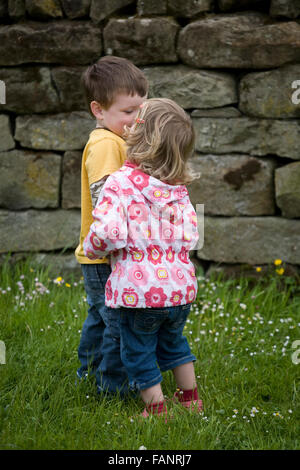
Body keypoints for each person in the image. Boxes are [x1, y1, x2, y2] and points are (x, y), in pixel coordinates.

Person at [83, 98, 203, 418]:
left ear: (138, 136)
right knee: (174, 343)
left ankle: (156, 408)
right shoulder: (177, 188)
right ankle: (190, 399)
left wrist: (92, 249)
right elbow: (192, 234)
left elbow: (108, 232)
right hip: (179, 290)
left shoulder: (121, 182)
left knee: (137, 351)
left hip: (140, 294)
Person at [75, 56, 148, 396]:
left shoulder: (118, 140)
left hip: (98, 254)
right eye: (128, 112)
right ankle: (113, 386)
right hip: (106, 253)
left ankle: (87, 372)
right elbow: (107, 198)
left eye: (141, 109)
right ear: (98, 110)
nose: (137, 118)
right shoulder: (106, 144)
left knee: (100, 316)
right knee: (117, 321)